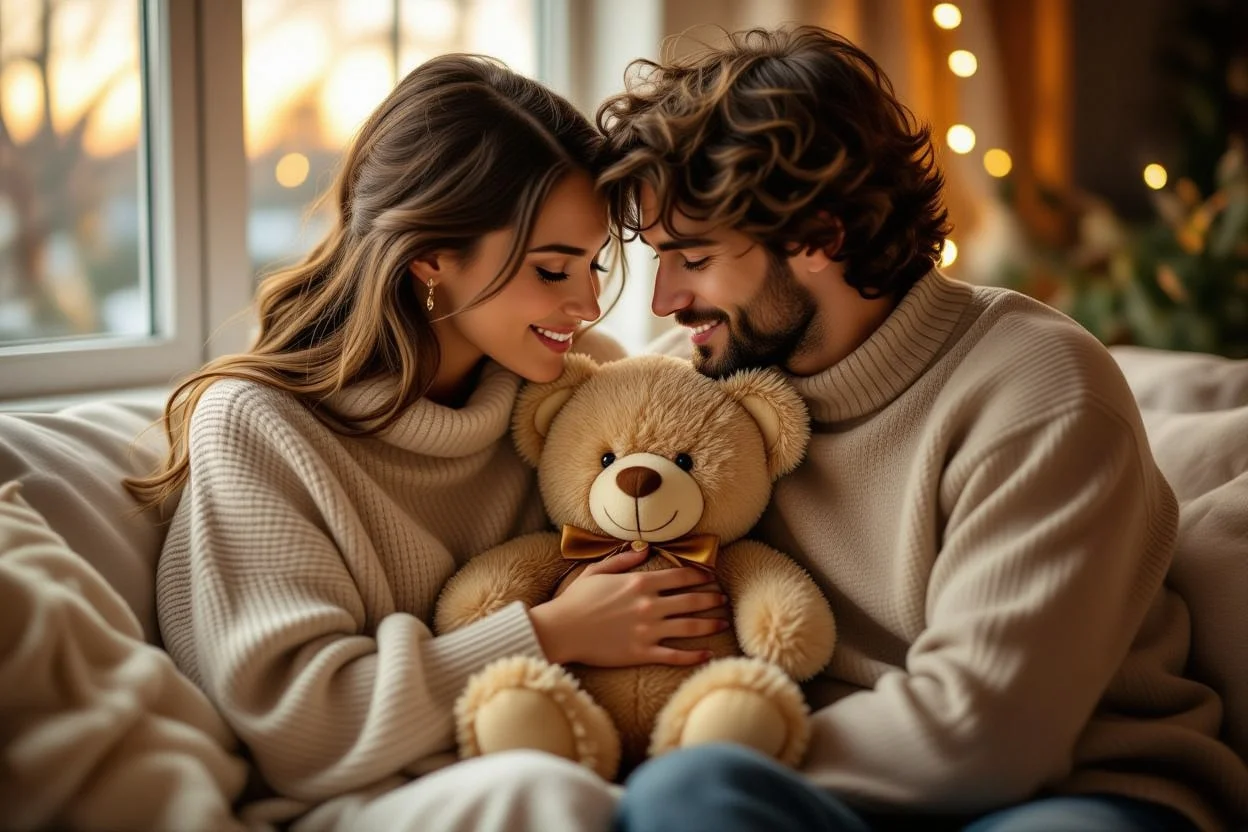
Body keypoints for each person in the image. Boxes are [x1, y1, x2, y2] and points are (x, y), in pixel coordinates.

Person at [597, 25, 1248, 832]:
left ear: (820, 237)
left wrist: (729, 740)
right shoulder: (694, 385)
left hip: (1077, 792)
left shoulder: (1039, 386)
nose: (663, 301)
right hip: (828, 793)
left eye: (693, 259)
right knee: (686, 795)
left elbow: (987, 735)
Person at [125, 55, 727, 831]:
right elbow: (301, 727)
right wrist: (553, 633)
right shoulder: (260, 426)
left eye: (593, 266)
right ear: (431, 255)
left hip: (588, 762)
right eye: (552, 271)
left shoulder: (577, 386)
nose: (585, 304)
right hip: (377, 805)